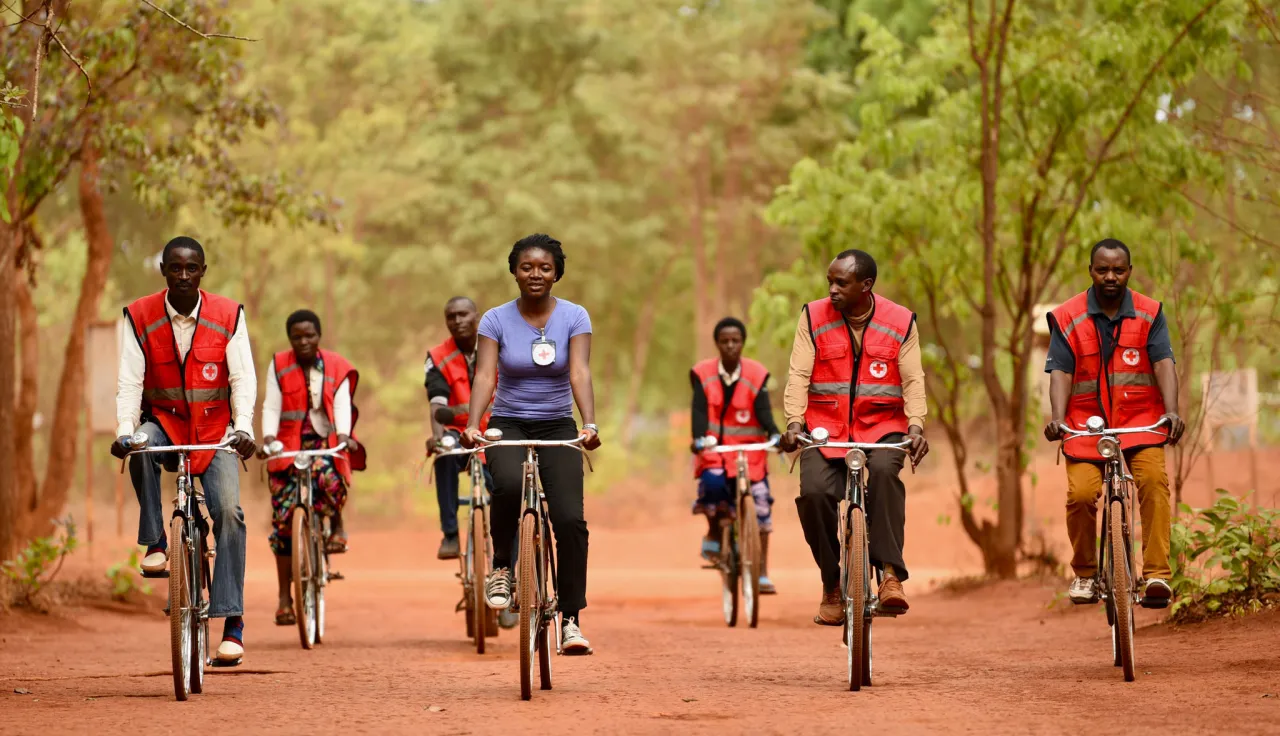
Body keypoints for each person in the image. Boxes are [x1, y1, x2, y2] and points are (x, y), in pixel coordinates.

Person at [110, 236, 257, 664]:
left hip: (214, 432)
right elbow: (129, 382)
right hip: (165, 422)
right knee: (139, 445)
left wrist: (243, 428)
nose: (183, 275)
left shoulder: (228, 314)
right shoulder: (139, 316)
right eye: (175, 268)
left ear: (203, 272)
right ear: (163, 271)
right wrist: (125, 431)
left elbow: (242, 379)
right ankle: (157, 541)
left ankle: (232, 623)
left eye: (192, 268)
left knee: (229, 512)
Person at [461, 233, 601, 654]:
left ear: (557, 273)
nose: (535, 274)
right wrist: (473, 424)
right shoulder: (495, 319)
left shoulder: (575, 316)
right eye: (527, 267)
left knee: (570, 520)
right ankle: (503, 566)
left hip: (558, 425)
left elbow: (579, 372)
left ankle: (571, 618)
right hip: (508, 423)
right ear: (514, 272)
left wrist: (589, 424)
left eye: (544, 267)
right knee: (505, 484)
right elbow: (485, 375)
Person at [779, 249, 929, 625]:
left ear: (866, 285)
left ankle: (890, 575)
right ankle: (831, 583)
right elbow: (798, 374)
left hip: (884, 426)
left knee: (885, 475)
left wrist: (915, 427)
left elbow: (913, 380)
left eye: (841, 283)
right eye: (829, 281)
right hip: (824, 428)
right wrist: (794, 423)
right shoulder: (812, 317)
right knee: (815, 494)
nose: (832, 289)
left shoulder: (900, 321)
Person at [1043, 238, 1184, 607]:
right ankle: (1085, 574)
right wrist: (1057, 419)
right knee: (1081, 494)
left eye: (1118, 270)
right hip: (1084, 425)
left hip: (1140, 421)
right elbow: (1060, 371)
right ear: (1090, 271)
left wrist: (1172, 411)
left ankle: (1156, 575)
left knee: (1153, 483)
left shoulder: (1150, 313)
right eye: (1102, 269)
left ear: (1129, 272)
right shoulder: (1068, 316)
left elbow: (1163, 363)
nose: (1110, 276)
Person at [260, 309, 365, 625]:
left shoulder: (336, 365)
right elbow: (271, 406)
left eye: (309, 335)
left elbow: (343, 403)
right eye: (297, 337)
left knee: (330, 477)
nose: (304, 341)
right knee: (282, 522)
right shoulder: (279, 364)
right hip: (287, 447)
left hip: (325, 443)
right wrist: (268, 438)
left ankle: (336, 524)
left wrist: (344, 437)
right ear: (289, 339)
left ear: (319, 336)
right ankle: (284, 598)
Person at [690, 317, 782, 594]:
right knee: (713, 482)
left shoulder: (756, 374)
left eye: (735, 341)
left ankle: (762, 572)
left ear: (742, 343)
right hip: (716, 450)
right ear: (717, 344)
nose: (730, 345)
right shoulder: (703, 373)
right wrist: (698, 439)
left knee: (761, 504)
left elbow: (764, 412)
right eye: (725, 341)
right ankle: (714, 531)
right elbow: (699, 410)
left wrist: (775, 434)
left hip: (749, 452)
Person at [424, 296, 487, 560]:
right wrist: (438, 438)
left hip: (496, 430)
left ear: (476, 317)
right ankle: (450, 534)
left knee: (508, 481)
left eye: (463, 314)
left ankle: (513, 544)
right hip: (458, 433)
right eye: (451, 316)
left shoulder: (498, 348)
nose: (458, 321)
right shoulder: (437, 357)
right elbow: (437, 401)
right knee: (445, 456)